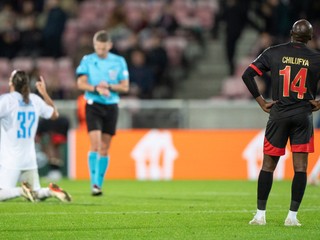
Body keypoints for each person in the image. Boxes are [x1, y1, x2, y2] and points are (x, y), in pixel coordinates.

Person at [242, 19, 320, 226]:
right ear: (311, 38)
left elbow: (247, 74)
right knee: (301, 167)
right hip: (303, 116)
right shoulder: (316, 58)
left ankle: (260, 215)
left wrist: (260, 101)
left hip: (278, 114)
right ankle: (292, 217)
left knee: (268, 166)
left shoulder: (274, 52)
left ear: (291, 33)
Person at [0, 70, 71, 202]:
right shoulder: (35, 99)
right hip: (29, 159)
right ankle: (50, 191)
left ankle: (20, 190)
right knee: (35, 194)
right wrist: (44, 92)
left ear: (11, 83)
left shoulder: (6, 100)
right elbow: (54, 114)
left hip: (11, 158)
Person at [76, 30, 129, 196]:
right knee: (96, 144)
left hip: (111, 106)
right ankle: (94, 185)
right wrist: (96, 89)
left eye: (103, 49)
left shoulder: (119, 61)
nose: (100, 51)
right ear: (94, 46)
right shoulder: (88, 60)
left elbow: (125, 86)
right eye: (98, 48)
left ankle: (99, 183)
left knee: (105, 148)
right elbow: (80, 83)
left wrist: (109, 87)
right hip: (93, 105)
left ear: (110, 46)